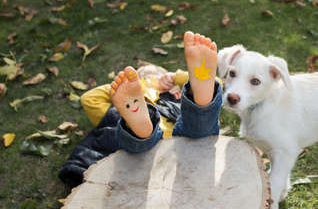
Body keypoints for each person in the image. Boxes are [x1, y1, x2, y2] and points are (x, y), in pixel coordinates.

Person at [59, 31, 221, 187]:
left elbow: (219, 82)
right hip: (140, 152)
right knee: (131, 134)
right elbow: (90, 100)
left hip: (179, 143)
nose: (152, 80)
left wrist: (174, 77)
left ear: (176, 92)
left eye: (157, 76)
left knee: (197, 121)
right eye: (144, 78)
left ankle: (200, 98)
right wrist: (140, 89)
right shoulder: (125, 106)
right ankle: (142, 130)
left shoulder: (176, 102)